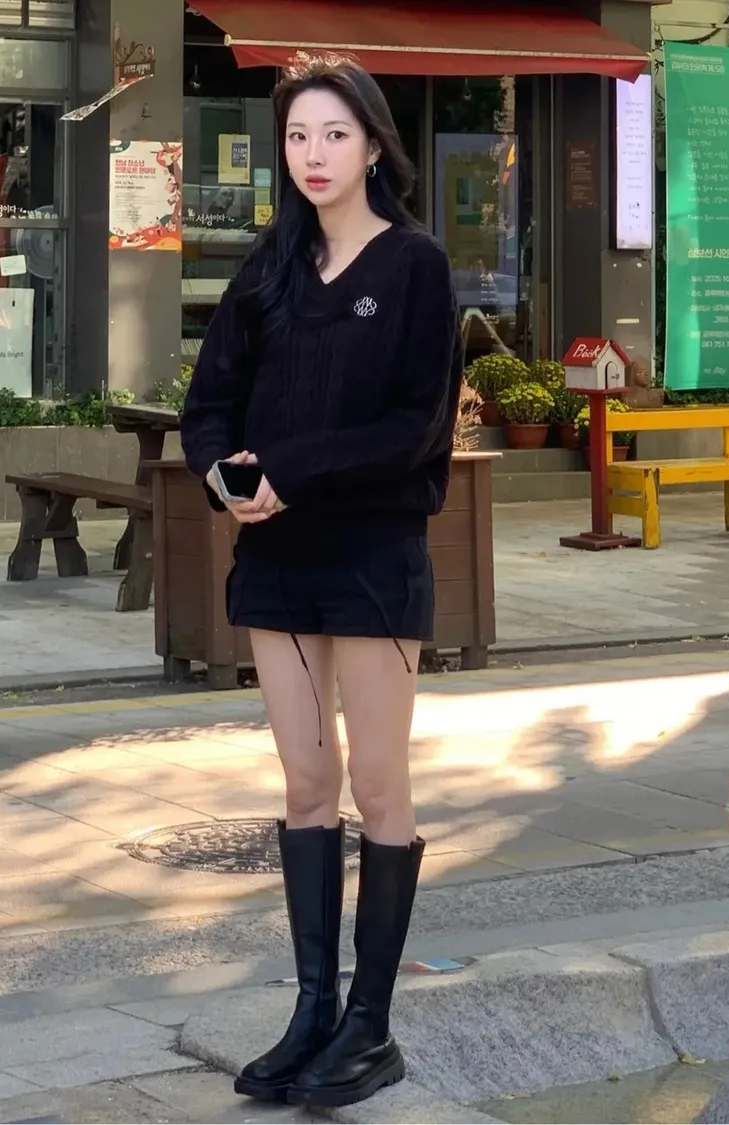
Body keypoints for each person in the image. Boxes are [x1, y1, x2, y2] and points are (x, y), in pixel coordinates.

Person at [180, 52, 463, 1109]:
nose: (314, 154)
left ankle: (370, 1026)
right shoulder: (270, 268)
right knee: (305, 781)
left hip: (374, 556)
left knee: (379, 782)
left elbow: (414, 427)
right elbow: (210, 404)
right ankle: (313, 1011)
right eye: (298, 135)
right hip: (279, 559)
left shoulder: (415, 265)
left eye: (335, 134)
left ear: (373, 144)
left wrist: (291, 471)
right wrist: (226, 476)